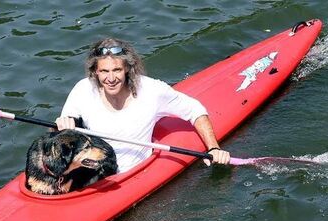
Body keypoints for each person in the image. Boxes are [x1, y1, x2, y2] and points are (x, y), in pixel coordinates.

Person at [55, 38, 230, 173]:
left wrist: (213, 147)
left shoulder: (152, 90)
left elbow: (195, 110)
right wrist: (63, 126)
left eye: (116, 70)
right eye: (104, 71)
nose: (110, 78)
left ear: (127, 69)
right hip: (93, 170)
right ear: (95, 72)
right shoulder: (82, 89)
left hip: (132, 176)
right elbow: (62, 133)